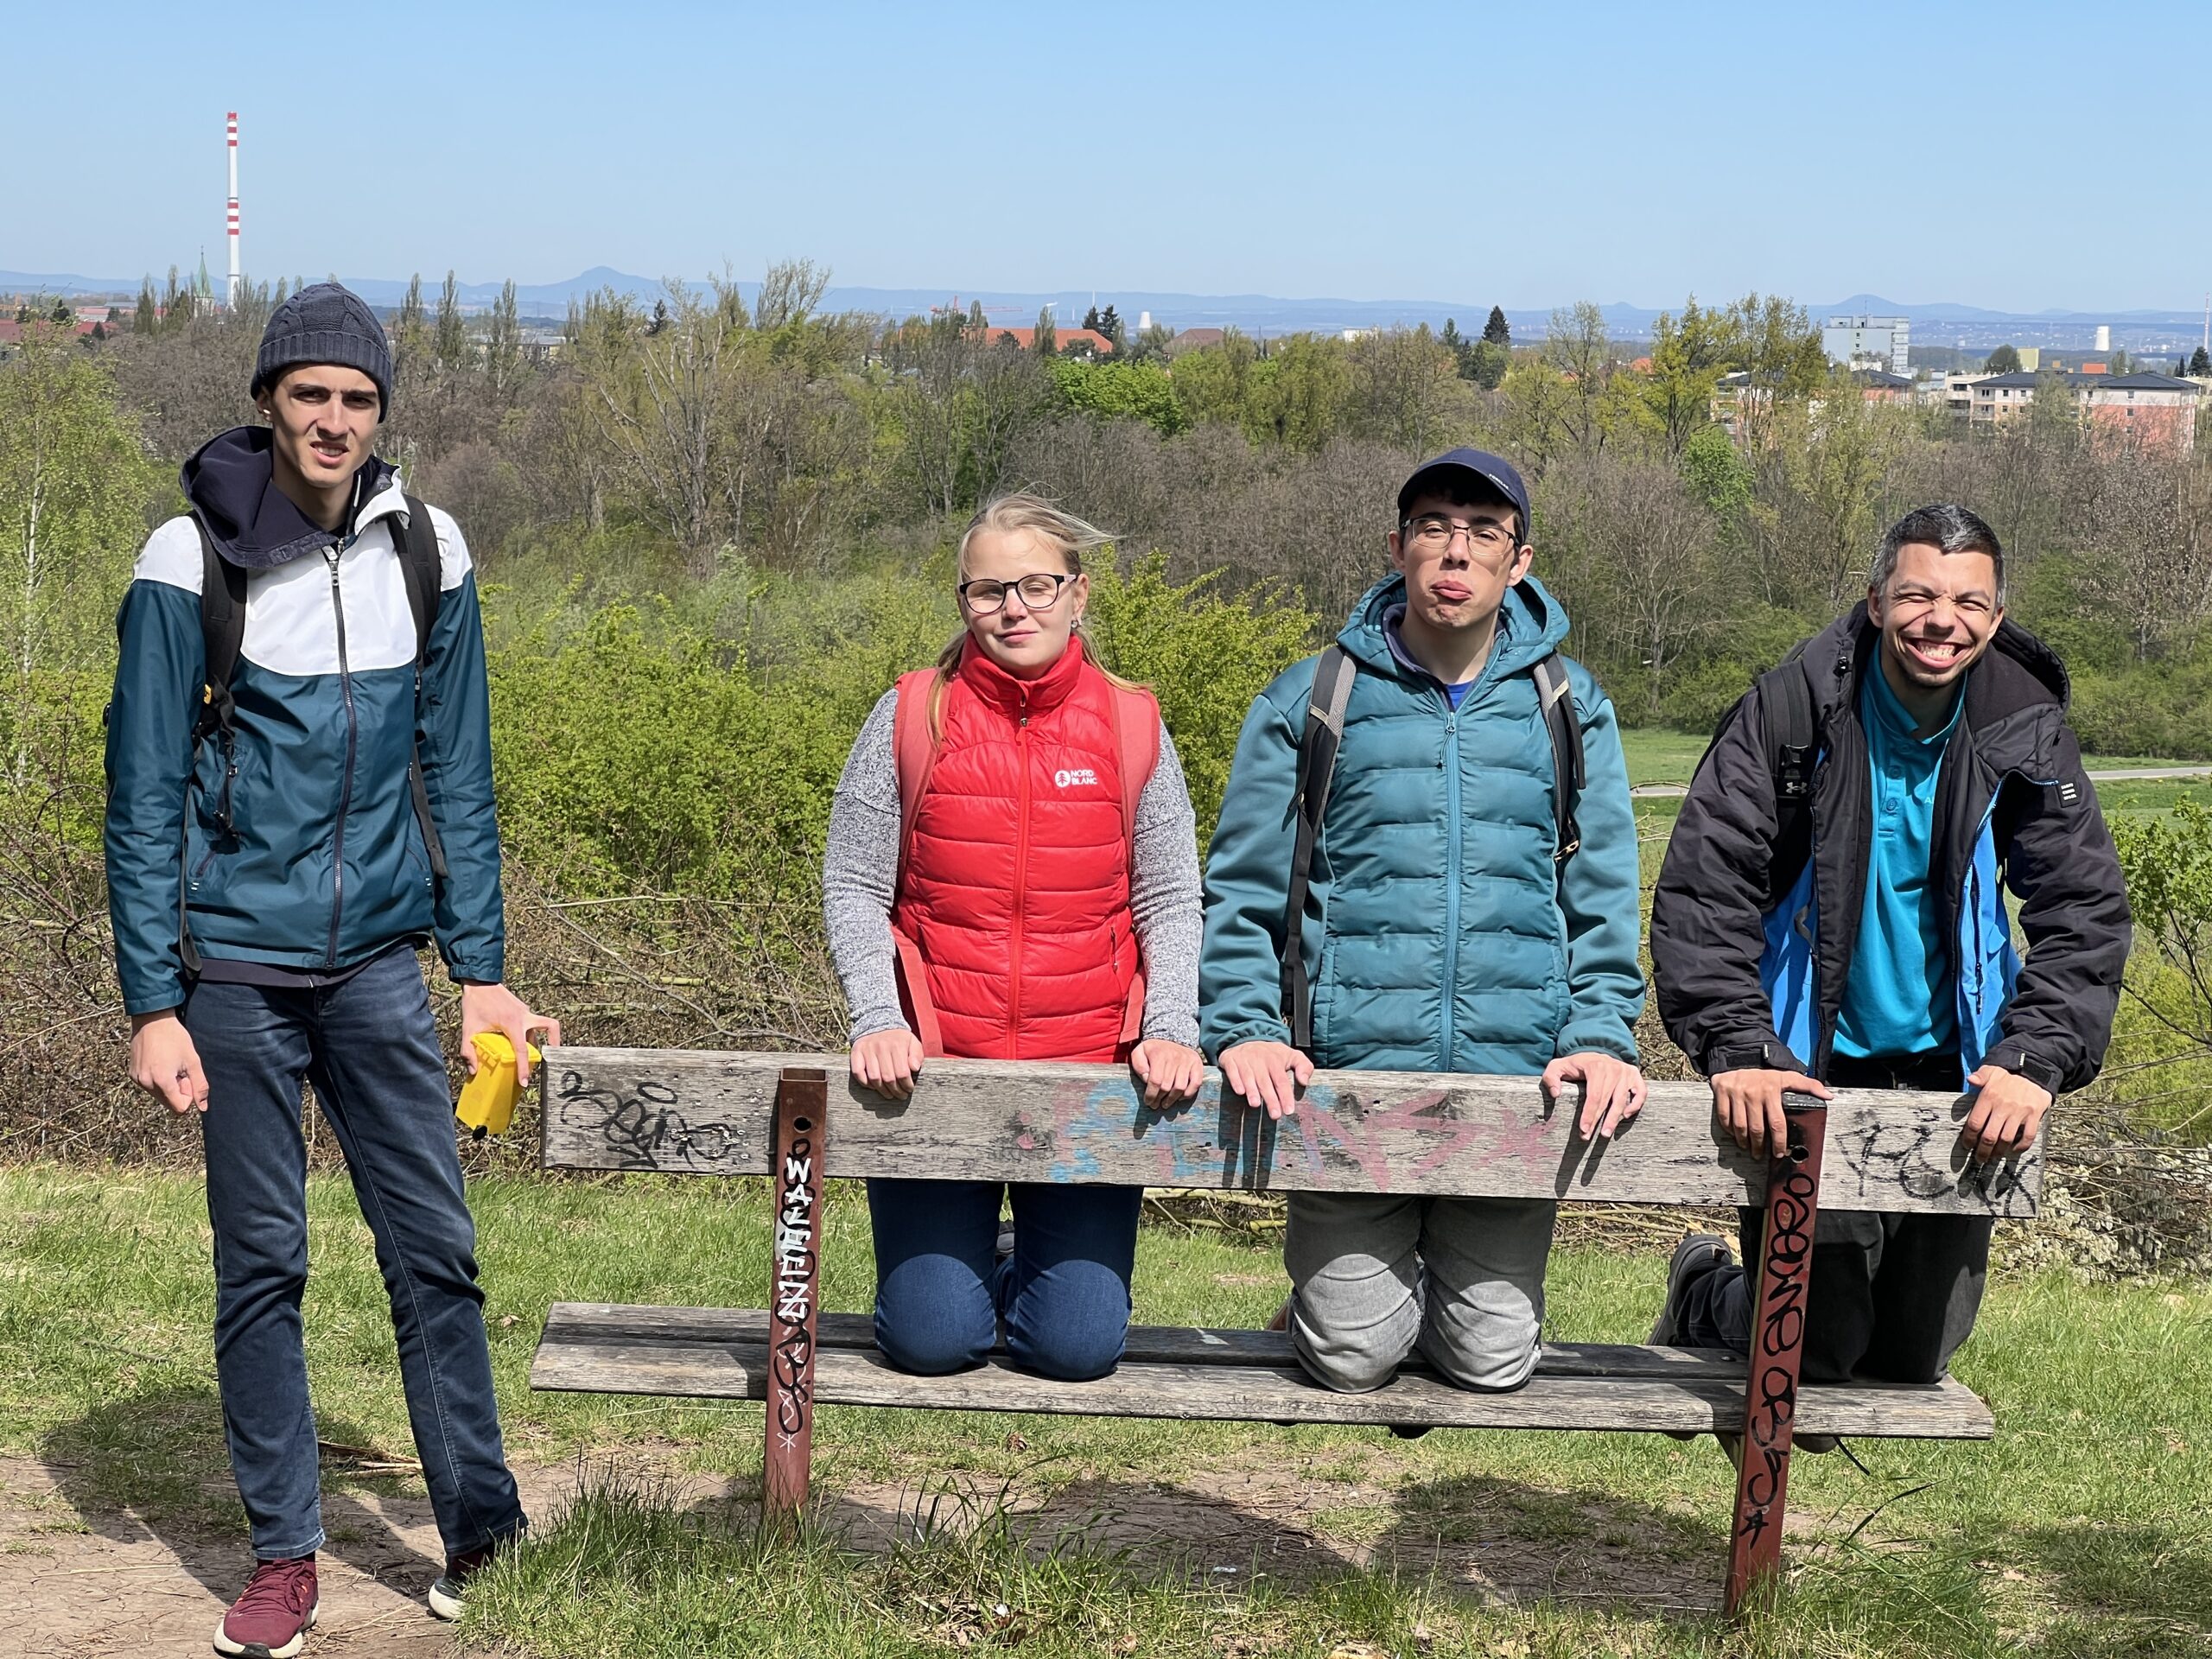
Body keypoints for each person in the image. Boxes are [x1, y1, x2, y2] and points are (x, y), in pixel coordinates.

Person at [105, 283, 556, 1657]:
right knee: (264, 1266)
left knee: (436, 1253)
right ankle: (283, 1556)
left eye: (358, 399)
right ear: (269, 402)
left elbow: (457, 773)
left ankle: (482, 1531)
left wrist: (481, 970)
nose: (335, 420)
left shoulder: (428, 547)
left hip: (376, 970)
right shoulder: (189, 557)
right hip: (235, 971)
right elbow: (143, 793)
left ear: (381, 414)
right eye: (311, 394)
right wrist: (152, 1002)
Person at [1647, 504, 2129, 1414]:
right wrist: (1739, 1046)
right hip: (1809, 1065)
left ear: (1995, 616)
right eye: (1916, 596)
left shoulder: (2023, 721)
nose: (1941, 621)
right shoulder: (1790, 707)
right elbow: (1706, 889)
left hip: (1959, 1074)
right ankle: (1706, 1290)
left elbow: (2084, 910)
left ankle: (1784, 1302)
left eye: (1968, 603)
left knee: (1914, 1360)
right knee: (1815, 1347)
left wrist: (2033, 1057)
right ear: (1875, 602)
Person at [1198, 448, 1647, 1403]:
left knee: (1490, 1363)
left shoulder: (1568, 706)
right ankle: (1340, 1305)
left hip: (1513, 1083)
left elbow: (1603, 897)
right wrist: (1245, 1025)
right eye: (1434, 526)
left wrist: (1601, 1036)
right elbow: (1242, 889)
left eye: (1483, 532)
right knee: (1350, 1358)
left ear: (1518, 562)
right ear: (1397, 546)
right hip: (1346, 1080)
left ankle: (1429, 1304)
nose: (1456, 550)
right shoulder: (1315, 698)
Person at [822, 494, 1205, 1381]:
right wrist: (877, 1016)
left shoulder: (1132, 724)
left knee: (1075, 1348)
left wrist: (1170, 1027)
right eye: (989, 589)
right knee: (931, 1341)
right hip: (933, 1075)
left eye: (1037, 585)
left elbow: (1170, 897)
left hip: (1087, 1077)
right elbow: (853, 886)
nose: (1013, 608)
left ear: (1078, 594)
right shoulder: (911, 715)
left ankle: (1020, 1268)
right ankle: (965, 1274)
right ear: (963, 601)